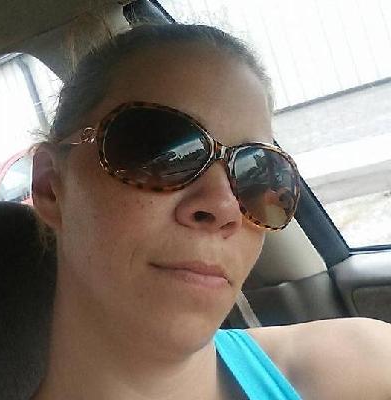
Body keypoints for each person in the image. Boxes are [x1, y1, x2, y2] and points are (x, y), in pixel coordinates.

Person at [30, 23, 391, 400]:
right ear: (50, 187)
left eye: (257, 171)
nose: (224, 206)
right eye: (159, 153)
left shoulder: (362, 366)